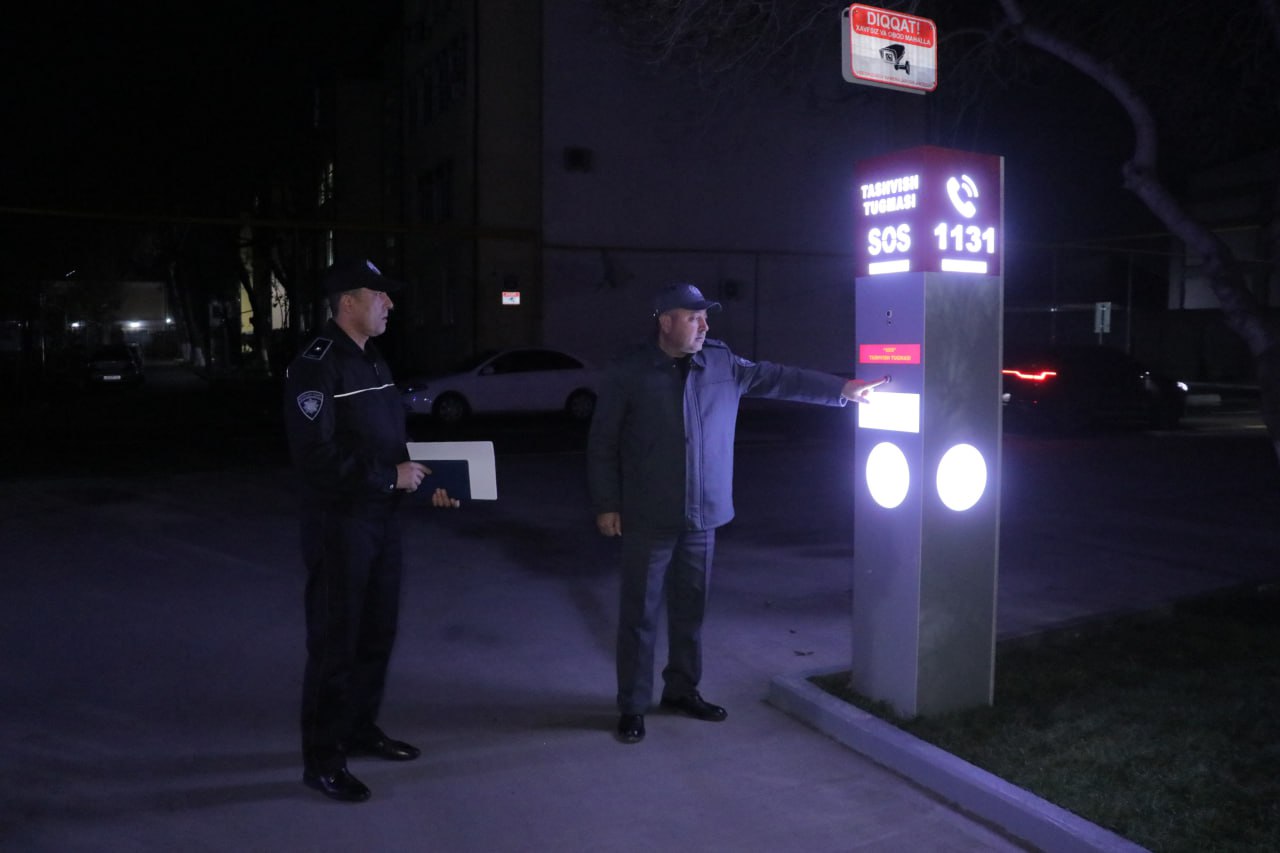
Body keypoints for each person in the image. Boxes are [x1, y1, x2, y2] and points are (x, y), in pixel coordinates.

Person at [587, 283, 882, 744]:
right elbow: (603, 442)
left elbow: (779, 378)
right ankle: (633, 705)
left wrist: (843, 389)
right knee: (639, 616)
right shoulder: (630, 370)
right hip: (647, 515)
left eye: (706, 317)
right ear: (666, 321)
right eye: (694, 318)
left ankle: (682, 691)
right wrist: (607, 503)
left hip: (702, 516)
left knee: (690, 612)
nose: (704, 326)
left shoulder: (721, 363)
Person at [283, 258, 459, 803]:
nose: (390, 304)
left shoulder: (374, 359)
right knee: (335, 643)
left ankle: (358, 729)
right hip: (340, 524)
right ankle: (322, 760)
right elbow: (315, 458)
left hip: (382, 519)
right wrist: (389, 478)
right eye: (379, 295)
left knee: (376, 634)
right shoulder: (316, 366)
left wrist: (429, 481)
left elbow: (387, 442)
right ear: (348, 302)